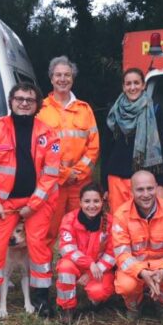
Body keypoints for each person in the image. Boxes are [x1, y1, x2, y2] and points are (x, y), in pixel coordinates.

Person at [0, 82, 60, 325]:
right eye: (19, 99)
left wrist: (33, 205)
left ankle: (41, 298)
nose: (24, 103)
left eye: (29, 100)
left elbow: (50, 174)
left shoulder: (49, 134)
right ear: (11, 101)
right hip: (3, 203)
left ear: (37, 105)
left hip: (37, 202)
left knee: (39, 248)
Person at [111, 170, 163, 320]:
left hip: (162, 268)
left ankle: (160, 301)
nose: (146, 194)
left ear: (156, 188)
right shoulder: (121, 215)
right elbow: (122, 254)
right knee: (125, 285)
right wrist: (141, 272)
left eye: (150, 188)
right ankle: (135, 304)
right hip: (135, 268)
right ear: (131, 190)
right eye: (140, 189)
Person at [37, 56, 99, 248]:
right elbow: (38, 147)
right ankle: (43, 274)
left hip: (79, 184)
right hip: (51, 182)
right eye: (58, 75)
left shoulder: (84, 109)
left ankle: (80, 271)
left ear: (72, 78)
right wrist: (63, 173)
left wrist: (77, 172)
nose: (62, 79)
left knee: (82, 228)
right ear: (51, 78)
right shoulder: (40, 109)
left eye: (67, 75)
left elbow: (94, 146)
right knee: (47, 230)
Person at [101, 67, 163, 214]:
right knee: (119, 222)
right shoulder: (113, 111)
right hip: (117, 179)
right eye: (128, 84)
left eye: (136, 83)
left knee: (146, 223)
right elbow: (106, 150)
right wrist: (104, 186)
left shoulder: (155, 110)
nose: (132, 87)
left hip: (144, 181)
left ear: (143, 85)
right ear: (123, 86)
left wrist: (162, 184)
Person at [55, 182, 116, 325]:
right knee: (65, 267)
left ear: (102, 202)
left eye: (96, 201)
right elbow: (66, 248)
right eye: (87, 201)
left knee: (99, 292)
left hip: (99, 269)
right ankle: (67, 308)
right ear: (80, 202)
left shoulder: (111, 222)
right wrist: (88, 263)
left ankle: (95, 303)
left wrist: (90, 273)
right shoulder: (69, 219)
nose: (92, 205)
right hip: (77, 264)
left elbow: (112, 254)